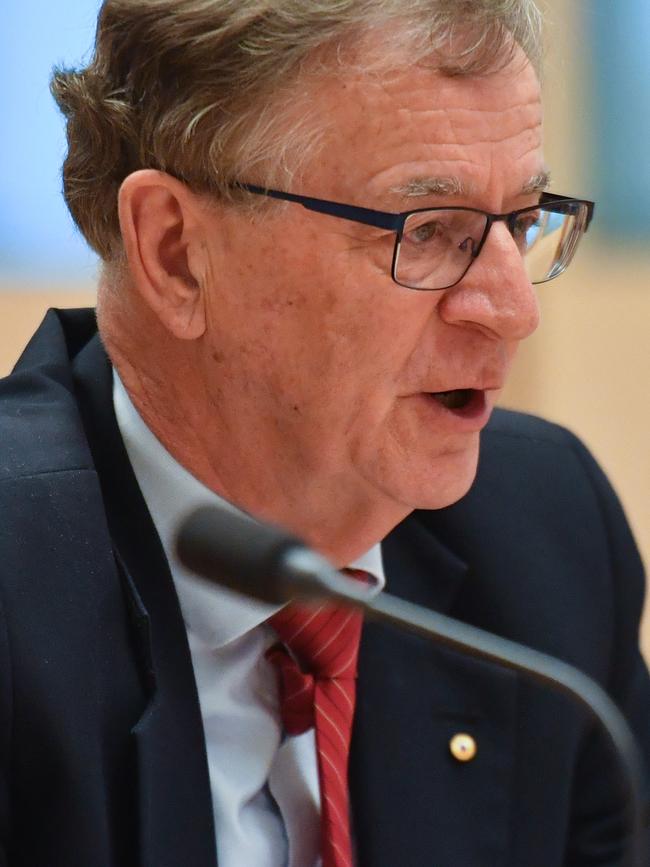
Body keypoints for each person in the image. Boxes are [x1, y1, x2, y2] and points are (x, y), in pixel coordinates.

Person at [1, 1, 648, 865]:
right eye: (428, 232)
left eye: (523, 222)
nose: (513, 310)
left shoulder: (545, 544)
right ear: (175, 253)